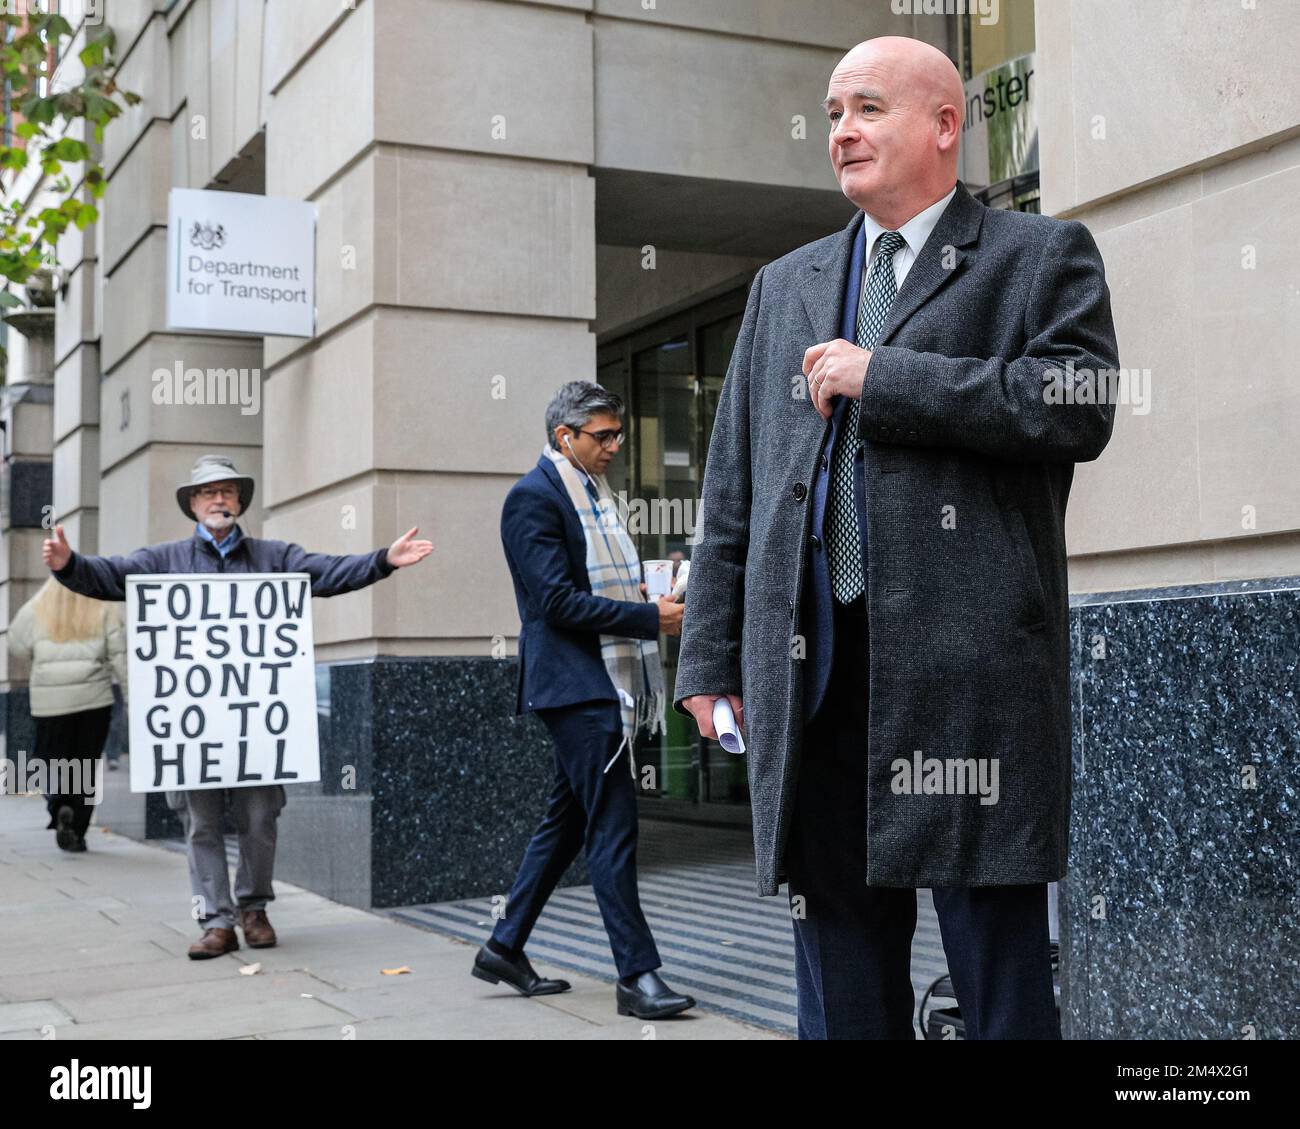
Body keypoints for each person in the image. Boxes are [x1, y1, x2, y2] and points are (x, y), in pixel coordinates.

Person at [674, 36, 1119, 1039]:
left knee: (997, 975)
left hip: (970, 685)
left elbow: (1076, 405)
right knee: (839, 968)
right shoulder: (784, 284)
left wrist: (889, 378)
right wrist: (707, 658)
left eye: (866, 108)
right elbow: (734, 492)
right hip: (814, 678)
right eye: (833, 112)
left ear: (944, 124)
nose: (840, 132)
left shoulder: (1038, 257)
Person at [42, 453, 433, 959]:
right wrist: (69, 566)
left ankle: (253, 908)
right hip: (193, 727)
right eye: (208, 492)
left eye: (227, 491)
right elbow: (108, 576)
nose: (219, 499)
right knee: (200, 823)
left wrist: (382, 560)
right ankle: (215, 920)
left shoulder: (274, 556)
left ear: (240, 502)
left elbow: (330, 572)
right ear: (193, 505)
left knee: (259, 818)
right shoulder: (163, 561)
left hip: (258, 727)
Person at [473, 381, 695, 1020]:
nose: (615, 447)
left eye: (618, 434)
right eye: (602, 436)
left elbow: (603, 580)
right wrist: (648, 618)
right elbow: (555, 603)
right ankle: (637, 976)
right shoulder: (532, 499)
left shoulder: (594, 498)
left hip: (602, 681)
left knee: (566, 823)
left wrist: (654, 587)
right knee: (613, 827)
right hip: (577, 687)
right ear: (563, 437)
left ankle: (502, 945)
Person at [7, 578, 128, 851]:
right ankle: (78, 829)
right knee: (85, 766)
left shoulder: (38, 606)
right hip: (94, 701)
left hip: (50, 702)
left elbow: (15, 642)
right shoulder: (102, 607)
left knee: (53, 762)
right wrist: (132, 698)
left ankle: (59, 803)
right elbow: (120, 655)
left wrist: (38, 655)